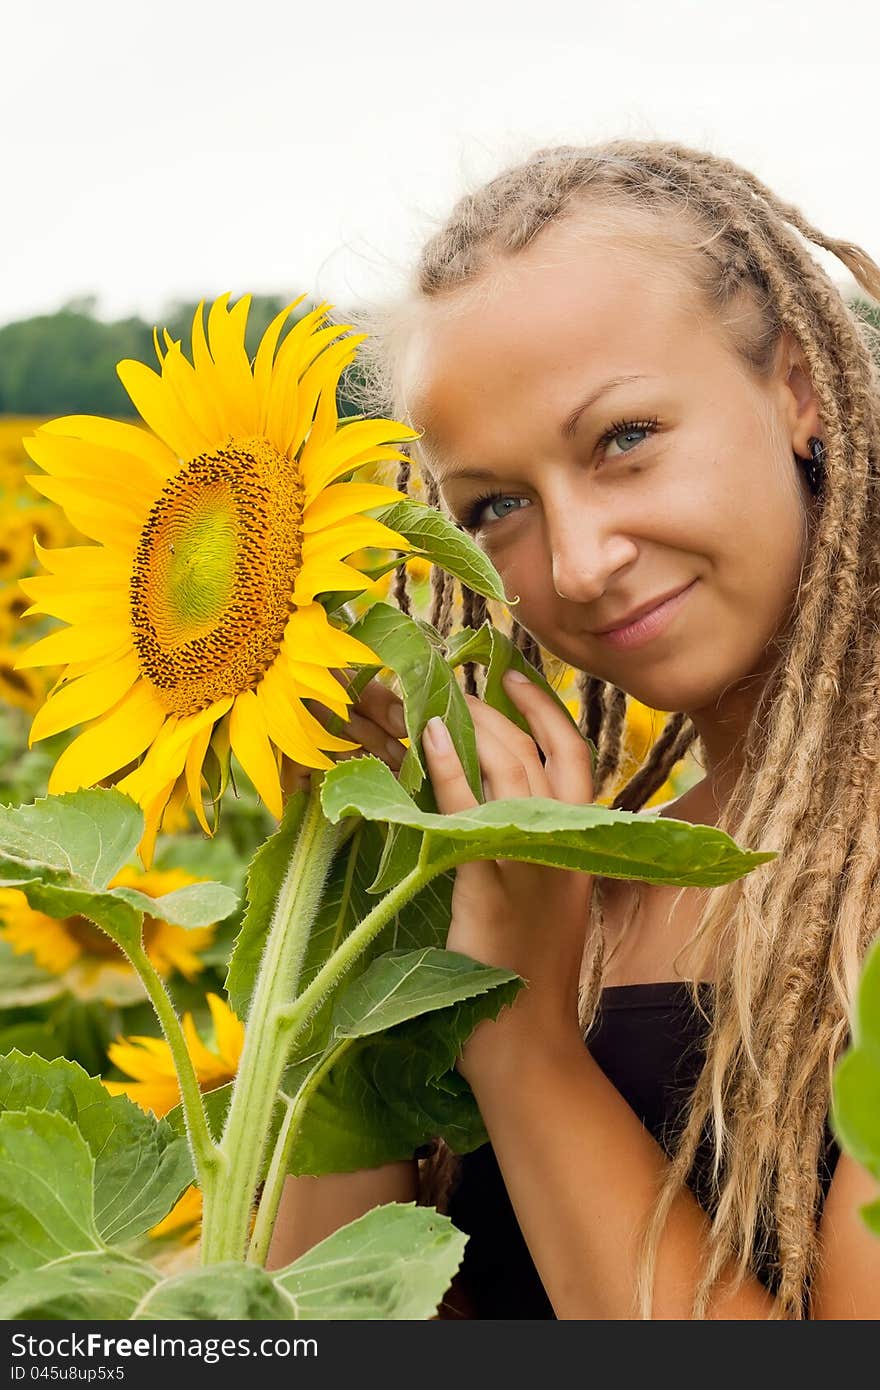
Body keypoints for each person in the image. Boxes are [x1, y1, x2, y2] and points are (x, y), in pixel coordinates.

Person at [266, 139, 880, 1319]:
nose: (578, 563)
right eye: (494, 506)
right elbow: (316, 1319)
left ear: (798, 389)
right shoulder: (551, 893)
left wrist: (523, 1043)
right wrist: (358, 897)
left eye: (624, 438)